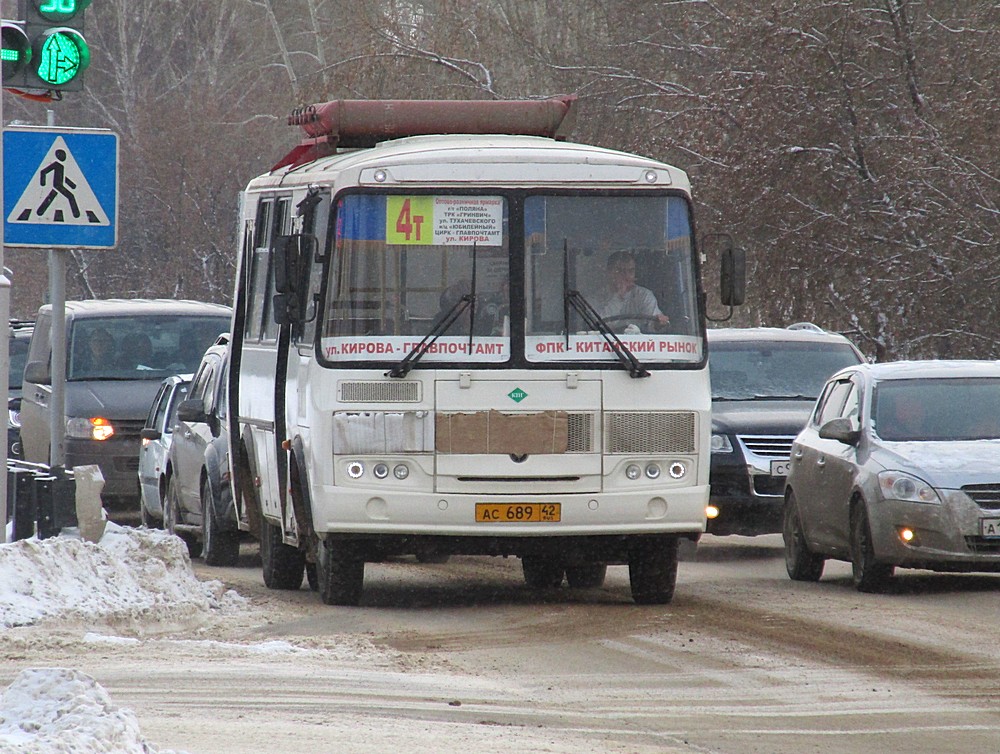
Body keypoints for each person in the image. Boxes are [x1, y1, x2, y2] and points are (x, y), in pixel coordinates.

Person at [593, 251, 668, 329]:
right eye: (620, 271)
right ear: (609, 273)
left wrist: (659, 324)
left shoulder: (644, 295)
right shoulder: (596, 299)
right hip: (605, 340)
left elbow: (654, 324)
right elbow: (599, 327)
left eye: (631, 271)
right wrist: (619, 297)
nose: (627, 276)